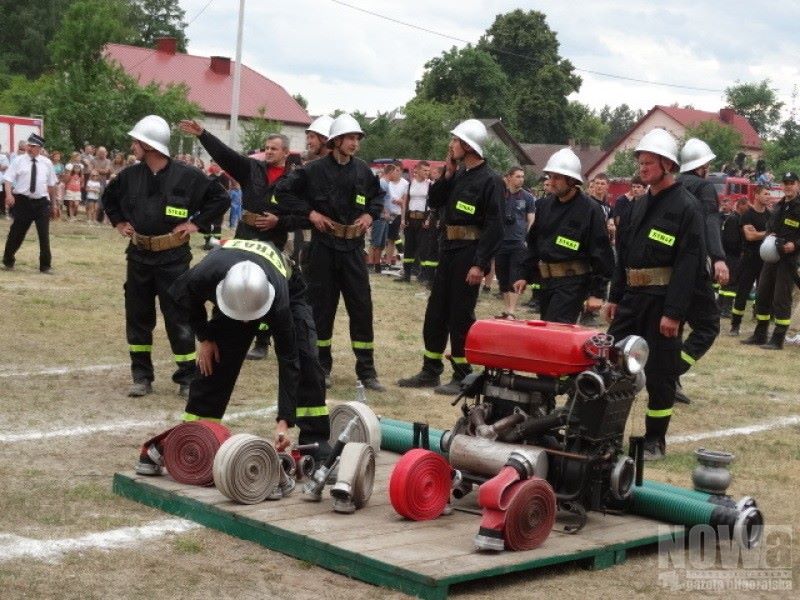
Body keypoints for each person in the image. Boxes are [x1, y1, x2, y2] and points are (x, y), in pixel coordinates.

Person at [135, 240, 331, 476]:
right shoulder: (203, 275)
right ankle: (195, 437)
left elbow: (289, 359)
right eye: (243, 318)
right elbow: (180, 298)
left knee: (305, 358)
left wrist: (284, 421)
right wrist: (205, 337)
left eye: (252, 318)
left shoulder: (278, 299)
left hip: (288, 289)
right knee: (216, 361)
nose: (247, 323)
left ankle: (317, 444)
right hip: (234, 291)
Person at [102, 115, 229, 397]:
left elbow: (221, 199)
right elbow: (108, 199)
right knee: (138, 317)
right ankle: (141, 376)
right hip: (138, 257)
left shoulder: (189, 176)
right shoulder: (128, 176)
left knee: (179, 317)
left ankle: (186, 377)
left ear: (149, 145)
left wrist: (196, 224)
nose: (132, 145)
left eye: (136, 141)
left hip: (173, 259)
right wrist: (120, 222)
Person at [605, 128, 705, 461]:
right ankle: (606, 433)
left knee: (661, 374)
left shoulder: (687, 208)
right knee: (613, 362)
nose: (642, 168)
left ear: (666, 164)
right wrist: (614, 297)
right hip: (633, 300)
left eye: (648, 162)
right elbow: (624, 253)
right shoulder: (638, 204)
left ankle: (654, 441)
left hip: (663, 302)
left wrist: (674, 313)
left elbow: (688, 264)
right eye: (640, 162)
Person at [275, 113, 386, 391]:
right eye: (350, 138)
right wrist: (309, 212)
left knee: (362, 308)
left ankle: (367, 370)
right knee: (320, 310)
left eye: (357, 139)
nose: (355, 143)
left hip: (353, 250)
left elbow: (377, 197)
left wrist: (370, 216)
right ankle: (321, 366)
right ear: (335, 141)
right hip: (323, 248)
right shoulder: (312, 170)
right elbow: (282, 192)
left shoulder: (362, 171)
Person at [397, 119, 503, 394]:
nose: (451, 145)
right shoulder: (457, 174)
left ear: (468, 145)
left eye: (455, 141)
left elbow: (494, 225)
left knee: (460, 314)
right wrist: (447, 174)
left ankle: (463, 374)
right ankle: (430, 370)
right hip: (449, 249)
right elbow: (435, 201)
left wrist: (480, 264)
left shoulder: (490, 180)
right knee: (436, 311)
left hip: (470, 253)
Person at [178, 119, 295, 362]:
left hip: (273, 237)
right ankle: (228, 324)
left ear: (285, 152)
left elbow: (303, 213)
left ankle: (262, 341)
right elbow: (225, 154)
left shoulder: (295, 178)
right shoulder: (251, 168)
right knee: (238, 277)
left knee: (268, 285)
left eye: (274, 148)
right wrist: (203, 134)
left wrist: (280, 221)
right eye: (267, 148)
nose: (269, 152)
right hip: (246, 234)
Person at [513, 148, 614, 324]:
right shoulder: (544, 205)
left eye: (557, 178)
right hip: (547, 282)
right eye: (550, 176)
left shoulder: (590, 209)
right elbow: (533, 244)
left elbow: (601, 253)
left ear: (572, 180)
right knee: (546, 329)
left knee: (555, 330)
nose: (551, 182)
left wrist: (597, 293)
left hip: (572, 284)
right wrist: (523, 274)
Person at [674, 137, 728, 404]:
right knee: (708, 326)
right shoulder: (705, 187)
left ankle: (669, 379)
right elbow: (710, 221)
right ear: (702, 165)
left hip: (668, 271)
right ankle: (672, 373)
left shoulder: (672, 185)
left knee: (675, 325)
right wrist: (718, 257)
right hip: (693, 269)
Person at [741, 172, 800, 349]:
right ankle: (760, 333)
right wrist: (769, 234)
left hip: (788, 259)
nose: (788, 186)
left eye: (791, 182)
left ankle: (778, 339)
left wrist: (794, 245)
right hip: (771, 255)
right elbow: (770, 226)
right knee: (762, 294)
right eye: (785, 183)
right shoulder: (779, 206)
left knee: (781, 298)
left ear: (798, 184)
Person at [2, 134, 58, 272]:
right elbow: (8, 179)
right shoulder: (18, 161)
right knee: (17, 233)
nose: (29, 148)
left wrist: (54, 204)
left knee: (43, 234)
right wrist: (9, 195)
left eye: (33, 146)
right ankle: (8, 260)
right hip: (23, 201)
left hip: (41, 202)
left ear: (39, 148)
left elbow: (52, 185)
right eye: (29, 145)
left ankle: (45, 265)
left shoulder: (47, 163)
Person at [730, 186, 772, 335]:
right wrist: (767, 233)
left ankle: (762, 328)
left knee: (764, 294)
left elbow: (772, 234)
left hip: (765, 260)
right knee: (742, 292)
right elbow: (750, 236)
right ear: (757, 195)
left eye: (770, 194)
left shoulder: (770, 215)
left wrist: (761, 234)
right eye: (766, 194)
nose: (769, 197)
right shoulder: (747, 215)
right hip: (749, 259)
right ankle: (735, 326)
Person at [494, 166, 535, 318]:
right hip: (501, 241)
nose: (521, 179)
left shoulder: (527, 197)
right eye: (518, 176)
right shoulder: (500, 195)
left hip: (518, 242)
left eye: (522, 176)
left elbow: (531, 218)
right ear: (509, 177)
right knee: (502, 276)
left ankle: (512, 310)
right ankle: (506, 309)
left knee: (515, 275)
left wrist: (527, 237)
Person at [399, 161, 432, 282]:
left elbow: (433, 205)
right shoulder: (409, 184)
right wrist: (403, 219)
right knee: (409, 247)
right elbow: (405, 203)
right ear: (417, 170)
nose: (426, 173)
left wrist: (429, 219)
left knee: (423, 248)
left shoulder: (430, 185)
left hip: (423, 219)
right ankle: (406, 274)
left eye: (428, 171)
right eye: (424, 170)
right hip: (411, 219)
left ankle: (423, 275)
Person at [718, 198, 748, 317]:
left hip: (729, 255)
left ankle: (720, 306)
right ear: (740, 205)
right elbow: (732, 240)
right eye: (747, 206)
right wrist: (740, 250)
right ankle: (726, 309)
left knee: (726, 283)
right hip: (732, 256)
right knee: (731, 282)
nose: (748, 209)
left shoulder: (733, 218)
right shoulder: (735, 219)